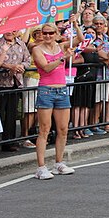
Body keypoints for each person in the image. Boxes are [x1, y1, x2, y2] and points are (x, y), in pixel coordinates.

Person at [31, 24, 78, 180]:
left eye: (51, 33)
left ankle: (59, 162)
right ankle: (41, 167)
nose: (48, 36)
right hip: (46, 90)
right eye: (45, 33)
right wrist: (62, 58)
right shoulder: (37, 49)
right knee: (44, 129)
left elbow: (80, 39)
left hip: (62, 90)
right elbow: (45, 67)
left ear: (57, 34)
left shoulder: (61, 45)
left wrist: (76, 24)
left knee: (63, 129)